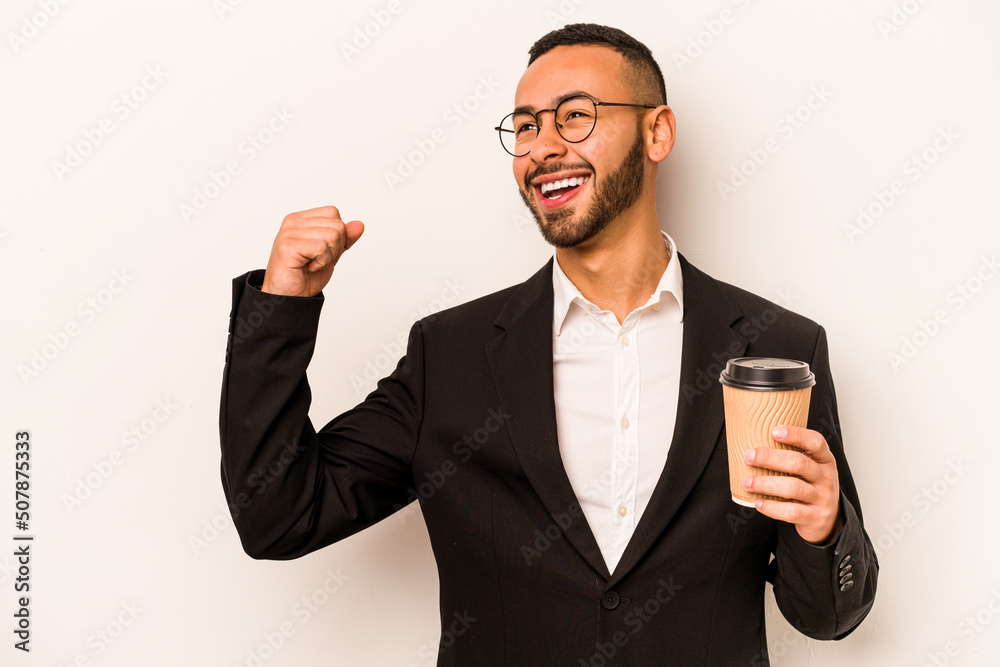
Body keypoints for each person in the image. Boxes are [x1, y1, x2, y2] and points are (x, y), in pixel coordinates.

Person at [219, 23, 877, 666]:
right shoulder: (450, 354)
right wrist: (282, 306)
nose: (542, 147)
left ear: (658, 132)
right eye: (526, 126)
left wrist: (824, 525)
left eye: (575, 116)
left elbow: (826, 615)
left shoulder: (780, 348)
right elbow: (278, 515)